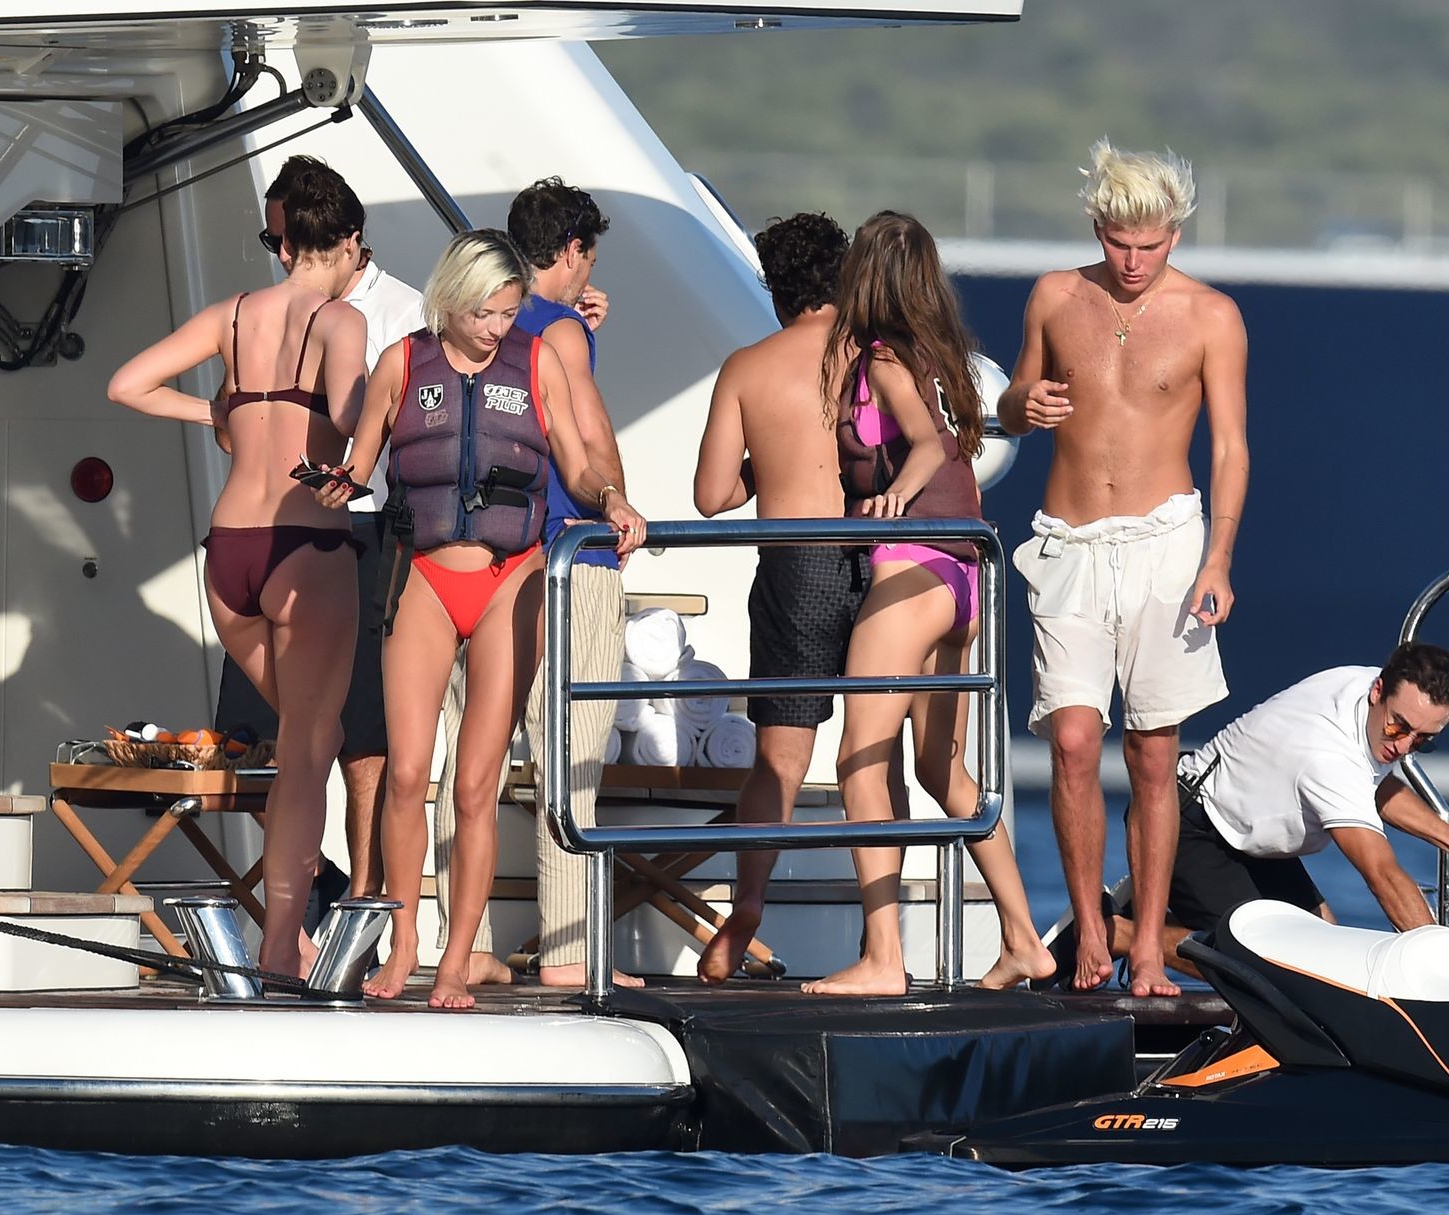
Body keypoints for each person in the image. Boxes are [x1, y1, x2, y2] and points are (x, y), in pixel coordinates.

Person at [324, 229, 639, 1009]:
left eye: (507, 312)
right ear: (452, 302)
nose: (498, 328)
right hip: (425, 578)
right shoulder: (403, 363)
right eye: (485, 314)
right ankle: (406, 944)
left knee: (474, 787)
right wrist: (335, 482)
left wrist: (611, 500)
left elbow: (577, 461)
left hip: (510, 581)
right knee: (407, 774)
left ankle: (459, 962)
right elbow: (360, 464)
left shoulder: (538, 362)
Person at [997, 139, 1247, 997]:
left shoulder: (1212, 315)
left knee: (1151, 751)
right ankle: (1090, 937)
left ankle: (1146, 944)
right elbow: (1013, 404)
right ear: (1096, 228)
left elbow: (1232, 447)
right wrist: (1020, 405)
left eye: (1150, 244)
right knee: (1072, 742)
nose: (1133, 261)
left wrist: (1218, 559)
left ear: (1175, 232)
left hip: (1167, 541)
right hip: (1068, 542)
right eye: (1117, 242)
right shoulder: (1054, 295)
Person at [107, 165, 370, 978]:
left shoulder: (231, 315)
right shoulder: (341, 320)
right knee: (309, 752)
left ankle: (291, 931)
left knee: (305, 740)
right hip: (305, 544)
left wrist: (219, 409)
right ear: (349, 241)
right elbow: (352, 416)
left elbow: (126, 385)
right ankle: (282, 942)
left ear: (288, 243)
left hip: (230, 553)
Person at [802, 211, 1055, 996]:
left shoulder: (882, 357)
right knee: (943, 772)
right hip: (964, 574)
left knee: (859, 761)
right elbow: (953, 445)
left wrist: (893, 501)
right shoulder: (939, 355)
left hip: (914, 567)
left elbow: (929, 445)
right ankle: (1024, 940)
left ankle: (883, 958)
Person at [431, 180, 647, 990]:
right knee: (570, 759)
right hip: (562, 559)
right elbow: (585, 441)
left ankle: (461, 944)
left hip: (473, 563)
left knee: (469, 762)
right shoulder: (557, 334)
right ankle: (566, 952)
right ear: (572, 251)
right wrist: (616, 506)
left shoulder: (472, 324)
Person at [693, 211, 905, 984]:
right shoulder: (877, 358)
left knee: (779, 761)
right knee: (877, 757)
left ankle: (749, 903)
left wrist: (773, 463)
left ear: (774, 288)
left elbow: (712, 495)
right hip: (882, 558)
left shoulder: (749, 367)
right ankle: (884, 943)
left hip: (795, 567)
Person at [214, 155, 424, 905]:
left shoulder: (399, 313)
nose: (282, 255)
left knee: (361, 737)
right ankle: (315, 894)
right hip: (272, 529)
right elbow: (231, 424)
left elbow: (400, 428)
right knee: (263, 739)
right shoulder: (271, 311)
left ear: (346, 241)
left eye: (292, 241)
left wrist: (339, 455)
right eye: (274, 241)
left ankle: (359, 902)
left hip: (362, 530)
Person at [1085, 644, 1449, 979]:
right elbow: (1382, 874)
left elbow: (1375, 787)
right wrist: (1445, 971)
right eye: (1398, 726)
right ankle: (1119, 932)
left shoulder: (1376, 695)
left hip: (1249, 832)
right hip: (1190, 825)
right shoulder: (1328, 756)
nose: (1404, 745)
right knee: (1281, 974)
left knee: (1324, 941)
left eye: (1422, 740)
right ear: (1378, 691)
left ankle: (1168, 914)